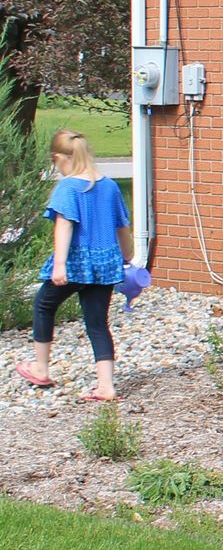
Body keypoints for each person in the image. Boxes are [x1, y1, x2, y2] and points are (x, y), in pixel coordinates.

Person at [14, 129, 133, 402]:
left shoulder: (68, 187)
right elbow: (122, 226)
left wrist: (59, 264)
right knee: (97, 323)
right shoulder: (109, 185)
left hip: (76, 262)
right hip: (104, 263)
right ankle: (106, 386)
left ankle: (41, 368)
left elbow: (65, 224)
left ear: (59, 158)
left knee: (44, 305)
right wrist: (126, 256)